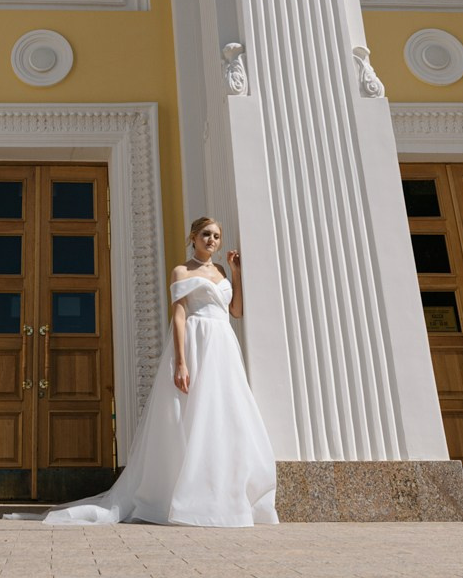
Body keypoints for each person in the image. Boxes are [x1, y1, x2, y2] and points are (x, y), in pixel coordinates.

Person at [17, 216, 278, 527]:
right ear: (193, 237)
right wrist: (181, 361)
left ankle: (223, 494)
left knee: (225, 414)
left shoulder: (222, 272)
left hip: (223, 347)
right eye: (206, 234)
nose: (212, 240)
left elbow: (235, 312)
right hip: (197, 344)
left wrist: (235, 272)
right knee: (191, 414)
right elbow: (179, 317)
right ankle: (182, 496)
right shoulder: (181, 271)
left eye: (217, 236)